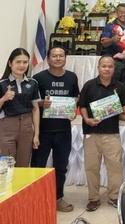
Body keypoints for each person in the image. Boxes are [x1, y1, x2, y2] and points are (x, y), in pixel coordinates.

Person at [78, 56, 125, 212]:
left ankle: (114, 196)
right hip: (91, 133)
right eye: (104, 66)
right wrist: (87, 119)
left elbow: (122, 110)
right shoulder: (89, 85)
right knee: (91, 167)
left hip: (111, 133)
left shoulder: (120, 87)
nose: (107, 69)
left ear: (114, 68)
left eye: (110, 66)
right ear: (98, 67)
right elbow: (82, 106)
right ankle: (93, 198)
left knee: (115, 167)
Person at [31, 47, 79, 212]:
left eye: (61, 56)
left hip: (63, 130)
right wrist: (41, 103)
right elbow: (32, 103)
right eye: (54, 56)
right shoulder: (38, 78)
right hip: (43, 131)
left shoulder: (72, 77)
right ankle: (35, 199)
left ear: (65, 58)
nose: (58, 58)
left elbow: (75, 98)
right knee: (38, 166)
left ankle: (58, 198)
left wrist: (72, 110)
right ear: (48, 59)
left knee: (61, 167)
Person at [0, 48, 40, 167]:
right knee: (7, 165)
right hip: (7, 126)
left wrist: (36, 134)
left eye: (25, 62)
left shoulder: (33, 83)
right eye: (18, 62)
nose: (22, 65)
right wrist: (4, 98)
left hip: (27, 126)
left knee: (23, 164)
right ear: (10, 63)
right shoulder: (2, 83)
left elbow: (35, 109)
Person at [100, 3, 125, 91]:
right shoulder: (110, 26)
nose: (123, 14)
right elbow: (103, 43)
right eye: (121, 12)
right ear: (117, 13)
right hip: (114, 62)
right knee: (112, 88)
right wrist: (112, 40)